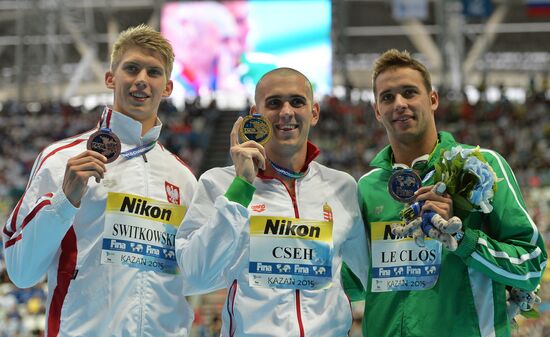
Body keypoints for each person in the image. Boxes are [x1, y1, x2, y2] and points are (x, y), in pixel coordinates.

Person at [2, 24, 197, 337]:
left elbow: (194, 275)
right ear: (111, 78)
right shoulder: (60, 160)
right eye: (131, 68)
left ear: (168, 87)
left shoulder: (183, 178)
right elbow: (21, 271)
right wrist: (64, 202)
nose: (142, 80)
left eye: (153, 72)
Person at [343, 49, 547, 337]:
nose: (399, 104)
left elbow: (532, 262)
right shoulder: (367, 186)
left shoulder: (482, 166)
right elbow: (350, 278)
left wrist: (463, 240)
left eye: (409, 93)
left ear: (433, 99)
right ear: (377, 111)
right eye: (387, 97)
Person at [176, 67, 369, 336]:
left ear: (314, 113)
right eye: (274, 103)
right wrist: (241, 187)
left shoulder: (342, 187)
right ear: (257, 114)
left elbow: (368, 276)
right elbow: (193, 277)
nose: (286, 111)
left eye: (297, 102)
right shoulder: (219, 183)